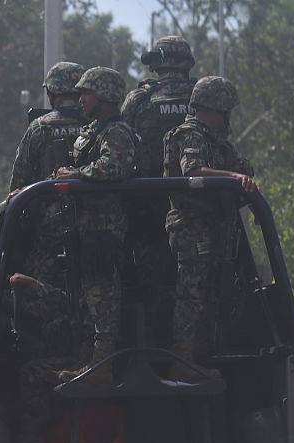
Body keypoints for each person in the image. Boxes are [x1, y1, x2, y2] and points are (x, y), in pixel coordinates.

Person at [163, 76, 256, 380]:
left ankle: (200, 355)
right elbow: (193, 170)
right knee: (191, 293)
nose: (227, 117)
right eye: (225, 110)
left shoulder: (215, 140)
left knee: (211, 294)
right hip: (191, 228)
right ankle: (182, 358)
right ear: (213, 107)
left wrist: (240, 173)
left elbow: (238, 166)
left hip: (213, 228)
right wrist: (231, 177)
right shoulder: (189, 135)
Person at [53, 66, 136, 384]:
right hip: (85, 227)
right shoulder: (95, 129)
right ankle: (90, 361)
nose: (81, 98)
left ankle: (102, 366)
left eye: (87, 92)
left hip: (105, 228)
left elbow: (113, 166)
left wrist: (74, 176)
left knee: (103, 297)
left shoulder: (116, 131)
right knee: (88, 295)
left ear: (104, 96)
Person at [120, 36, 197, 351]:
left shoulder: (138, 100)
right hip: (202, 209)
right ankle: (193, 355)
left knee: (151, 285)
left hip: (149, 213)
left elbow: (122, 144)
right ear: (186, 62)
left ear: (157, 62)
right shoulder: (201, 96)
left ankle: (153, 351)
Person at [9, 272, 88, 443]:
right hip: (77, 353)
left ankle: (33, 439)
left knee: (31, 372)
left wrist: (34, 285)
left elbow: (61, 302)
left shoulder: (80, 291)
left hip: (83, 358)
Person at [122, 36, 197, 178]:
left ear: (156, 62)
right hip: (198, 188)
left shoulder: (138, 97)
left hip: (149, 188)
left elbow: (122, 140)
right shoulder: (202, 94)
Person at [9, 61, 87, 192]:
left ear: (51, 93)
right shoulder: (98, 124)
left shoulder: (39, 127)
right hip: (93, 208)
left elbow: (19, 180)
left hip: (48, 208)